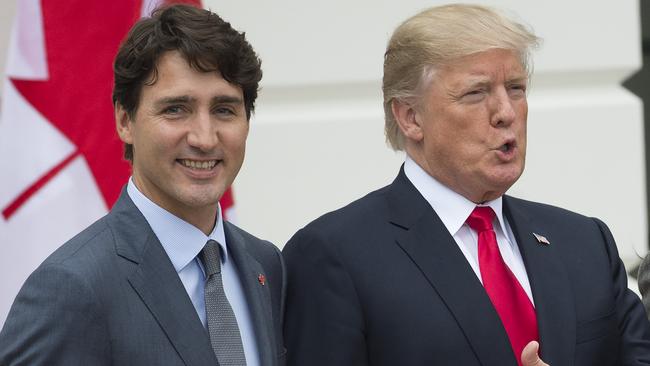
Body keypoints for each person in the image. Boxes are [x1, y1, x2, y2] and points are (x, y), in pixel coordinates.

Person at [282, 4, 650, 366]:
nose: (506, 112)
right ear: (410, 117)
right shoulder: (334, 256)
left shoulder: (585, 241)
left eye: (516, 88)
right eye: (476, 93)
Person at [0, 5, 285, 366]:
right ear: (125, 121)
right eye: (176, 109)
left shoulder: (265, 264)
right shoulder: (72, 287)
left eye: (224, 109)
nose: (204, 137)